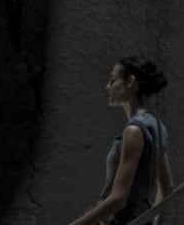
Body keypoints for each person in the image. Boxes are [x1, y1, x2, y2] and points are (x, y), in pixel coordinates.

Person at [66, 56, 175, 225]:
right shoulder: (158, 128)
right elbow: (167, 187)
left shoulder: (134, 131)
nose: (107, 87)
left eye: (113, 80)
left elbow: (118, 199)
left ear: (131, 81)